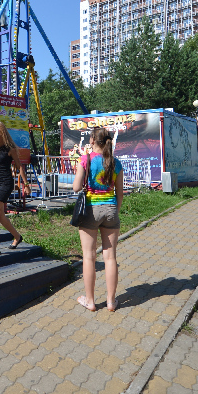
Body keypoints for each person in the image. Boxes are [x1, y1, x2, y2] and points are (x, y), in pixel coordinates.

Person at [72, 127, 124, 312]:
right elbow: (120, 194)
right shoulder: (116, 163)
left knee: (89, 257)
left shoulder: (85, 159)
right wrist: (114, 212)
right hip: (110, 210)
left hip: (90, 211)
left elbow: (76, 187)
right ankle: (111, 302)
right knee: (110, 257)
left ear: (92, 140)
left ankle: (91, 301)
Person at [0, 122, 27, 257]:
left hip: (6, 182)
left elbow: (19, 166)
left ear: (3, 134)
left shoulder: (10, 149)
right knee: (0, 215)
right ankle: (17, 237)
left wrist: (26, 184)